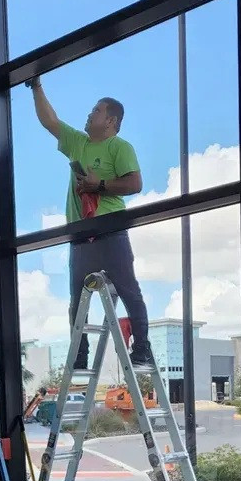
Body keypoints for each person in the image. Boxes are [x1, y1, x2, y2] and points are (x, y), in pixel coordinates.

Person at [27, 75, 152, 368]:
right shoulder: (79, 143)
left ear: (111, 121)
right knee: (77, 298)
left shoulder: (119, 147)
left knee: (128, 290)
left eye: (96, 110)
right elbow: (50, 121)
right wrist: (36, 86)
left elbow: (135, 183)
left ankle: (142, 349)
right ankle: (80, 356)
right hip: (81, 233)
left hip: (110, 230)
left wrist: (100, 185)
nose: (89, 113)